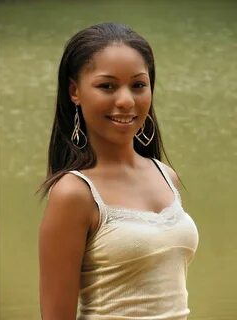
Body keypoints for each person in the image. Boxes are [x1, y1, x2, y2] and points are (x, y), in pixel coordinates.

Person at [38, 22, 199, 320]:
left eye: (138, 85)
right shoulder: (74, 193)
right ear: (75, 91)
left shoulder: (166, 176)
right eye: (107, 86)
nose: (126, 101)